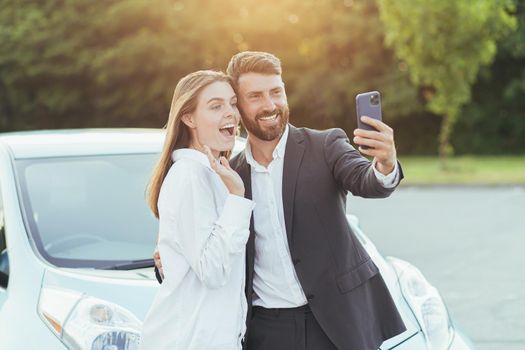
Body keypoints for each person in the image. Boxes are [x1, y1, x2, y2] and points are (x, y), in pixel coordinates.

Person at [155, 51, 406, 350]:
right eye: (256, 96)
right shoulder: (229, 176)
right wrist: (172, 257)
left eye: (276, 92)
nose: (270, 104)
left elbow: (367, 181)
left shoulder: (324, 145)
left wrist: (386, 164)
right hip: (266, 330)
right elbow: (214, 246)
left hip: (337, 323)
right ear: (240, 106)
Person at [141, 70, 255, 350]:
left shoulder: (214, 175)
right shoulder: (190, 175)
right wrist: (238, 198)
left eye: (232, 103)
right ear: (188, 118)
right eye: (216, 106)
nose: (230, 113)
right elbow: (213, 271)